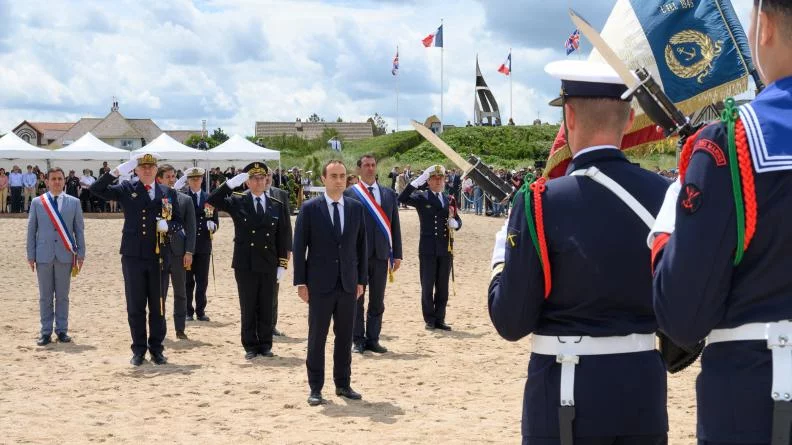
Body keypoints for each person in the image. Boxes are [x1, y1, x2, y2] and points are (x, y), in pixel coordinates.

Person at [488, 60, 670, 444]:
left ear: (568, 116)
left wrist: (502, 256)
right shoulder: (664, 194)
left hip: (566, 392)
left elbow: (511, 320)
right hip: (643, 388)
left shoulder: (540, 202)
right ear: (630, 118)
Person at [651, 2, 792, 444]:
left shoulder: (730, 143)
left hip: (759, 400)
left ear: (764, 26)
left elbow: (682, 316)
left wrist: (670, 222)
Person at [90, 152, 182, 366]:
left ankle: (157, 349)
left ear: (156, 169)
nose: (147, 170)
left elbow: (178, 220)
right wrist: (117, 171)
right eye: (143, 167)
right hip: (133, 255)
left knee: (158, 306)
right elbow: (96, 189)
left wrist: (169, 227)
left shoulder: (168, 192)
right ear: (136, 170)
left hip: (159, 256)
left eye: (151, 166)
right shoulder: (126, 188)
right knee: (136, 305)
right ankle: (139, 350)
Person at [293, 159, 367, 406]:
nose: (339, 180)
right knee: (317, 337)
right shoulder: (310, 208)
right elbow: (299, 246)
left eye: (342, 176)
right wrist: (301, 282)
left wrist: (361, 280)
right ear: (323, 179)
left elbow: (361, 247)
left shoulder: (356, 208)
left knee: (344, 337)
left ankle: (343, 384)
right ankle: (315, 387)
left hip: (348, 283)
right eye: (333, 176)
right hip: (319, 284)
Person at [207, 162, 290, 359]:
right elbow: (212, 200)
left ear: (267, 180)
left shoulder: (276, 205)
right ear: (247, 182)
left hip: (269, 262)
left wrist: (282, 264)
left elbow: (284, 236)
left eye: (262, 178)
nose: (259, 182)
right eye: (253, 178)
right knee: (248, 305)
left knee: (266, 305)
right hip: (246, 263)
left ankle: (265, 344)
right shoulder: (238, 201)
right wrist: (230, 184)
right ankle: (250, 346)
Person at [344, 154, 402, 354]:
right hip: (357, 256)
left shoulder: (388, 194)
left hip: (381, 254)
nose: (370, 168)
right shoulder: (350, 193)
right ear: (359, 169)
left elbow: (394, 225)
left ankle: (373, 339)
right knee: (357, 299)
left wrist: (397, 254)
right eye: (366, 165)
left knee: (377, 300)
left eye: (373, 165)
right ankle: (357, 340)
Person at [398, 165, 462, 331]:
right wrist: (417, 181)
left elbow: (457, 219)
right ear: (429, 181)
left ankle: (440, 318)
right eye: (434, 178)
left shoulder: (448, 199)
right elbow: (402, 197)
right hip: (428, 248)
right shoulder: (422, 197)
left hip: (445, 248)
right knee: (427, 285)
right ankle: (429, 319)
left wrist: (456, 224)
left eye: (441, 178)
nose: (438, 181)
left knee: (443, 286)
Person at [27, 167, 86, 346]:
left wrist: (81, 254)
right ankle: (45, 332)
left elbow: (79, 230)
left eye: (60, 178)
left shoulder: (74, 202)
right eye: (53, 179)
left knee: (62, 296)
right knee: (45, 296)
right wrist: (30, 255)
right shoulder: (37, 202)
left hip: (65, 255)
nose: (57, 182)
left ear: (64, 180)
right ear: (47, 181)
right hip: (43, 255)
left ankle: (61, 330)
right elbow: (31, 230)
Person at [157, 164, 196, 340]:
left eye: (173, 176)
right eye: (168, 177)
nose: (172, 180)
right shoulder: (154, 198)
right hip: (159, 251)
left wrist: (189, 252)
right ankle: (160, 328)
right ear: (159, 179)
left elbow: (191, 228)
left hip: (179, 252)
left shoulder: (185, 200)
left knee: (180, 292)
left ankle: (180, 328)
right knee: (160, 293)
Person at [182, 168, 219, 322]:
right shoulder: (183, 197)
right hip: (187, 246)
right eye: (192, 179)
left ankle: (200, 311)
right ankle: (188, 311)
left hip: (203, 244)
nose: (195, 181)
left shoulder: (209, 198)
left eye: (198, 178)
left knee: (202, 280)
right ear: (188, 181)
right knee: (187, 281)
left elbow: (215, 219)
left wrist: (213, 226)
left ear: (202, 180)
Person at [263, 170, 292, 337]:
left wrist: (288, 249)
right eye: (263, 175)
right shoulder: (248, 195)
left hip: (275, 251)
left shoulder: (281, 195)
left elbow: (286, 225)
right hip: (257, 250)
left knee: (274, 291)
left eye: (269, 175)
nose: (266, 178)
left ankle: (271, 325)